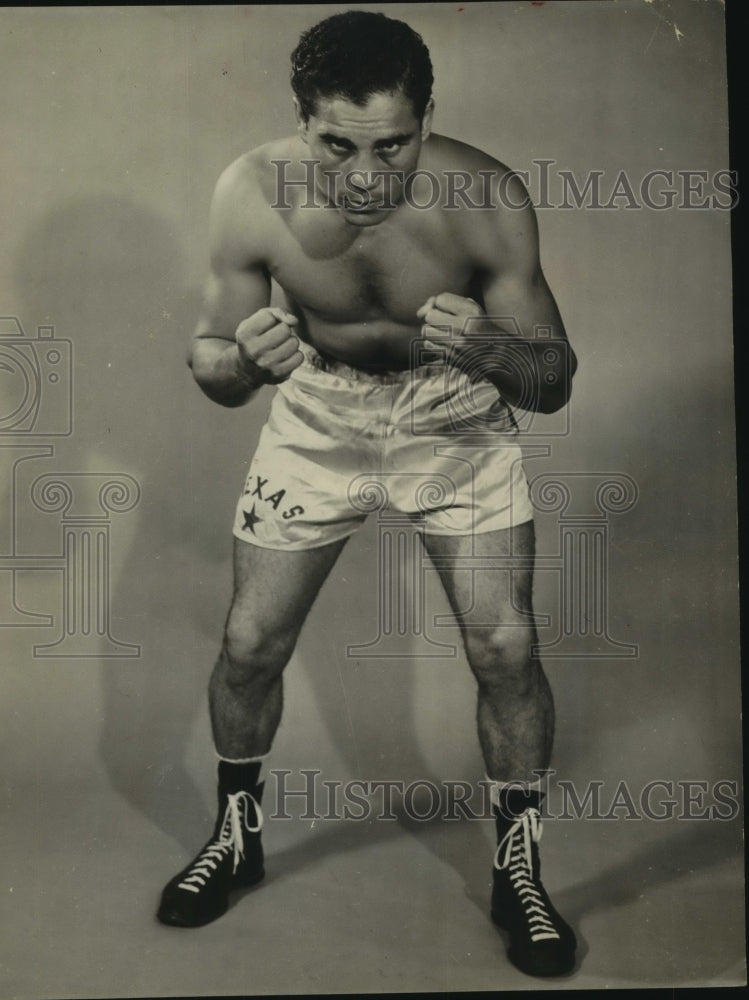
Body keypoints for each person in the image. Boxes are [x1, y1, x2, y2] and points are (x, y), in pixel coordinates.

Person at [157, 10, 578, 979]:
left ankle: (518, 871)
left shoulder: (486, 196)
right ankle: (236, 835)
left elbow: (552, 379)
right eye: (337, 145)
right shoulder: (249, 190)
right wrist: (241, 363)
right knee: (249, 643)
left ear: (426, 119)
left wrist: (491, 349)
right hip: (320, 412)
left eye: (392, 145)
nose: (363, 175)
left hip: (453, 413)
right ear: (302, 121)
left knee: (505, 647)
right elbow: (212, 360)